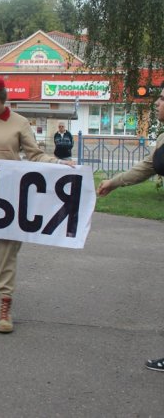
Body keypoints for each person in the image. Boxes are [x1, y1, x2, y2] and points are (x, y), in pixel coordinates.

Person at [0, 76, 73, 333]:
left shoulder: (20, 123)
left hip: (11, 198)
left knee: (7, 255)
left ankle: (5, 310)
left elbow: (35, 154)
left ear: (3, 98)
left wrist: (58, 163)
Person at [97, 85, 164, 372]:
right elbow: (147, 167)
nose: (158, 103)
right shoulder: (162, 137)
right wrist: (114, 182)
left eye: (162, 99)